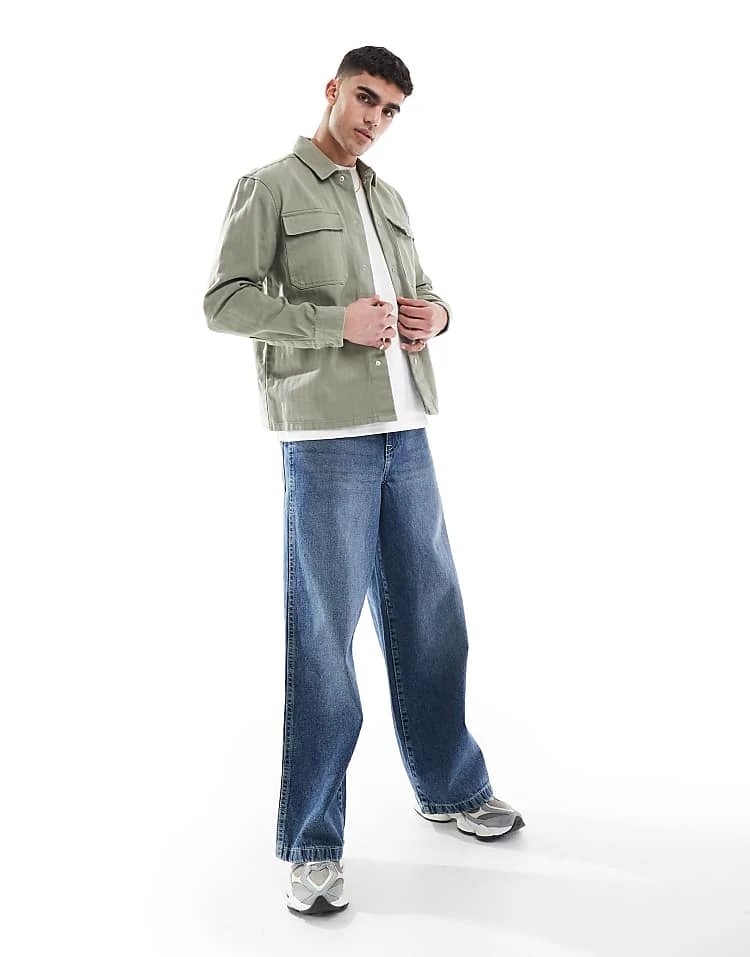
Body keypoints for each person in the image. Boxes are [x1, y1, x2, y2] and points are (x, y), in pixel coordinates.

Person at [203, 45, 525, 917]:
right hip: (326, 438)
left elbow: (422, 289)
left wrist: (438, 316)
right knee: (324, 643)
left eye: (389, 111)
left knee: (431, 619)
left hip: (407, 431)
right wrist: (329, 323)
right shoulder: (270, 186)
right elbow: (224, 300)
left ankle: (452, 788)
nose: (374, 120)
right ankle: (313, 842)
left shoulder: (388, 197)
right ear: (333, 90)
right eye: (365, 99)